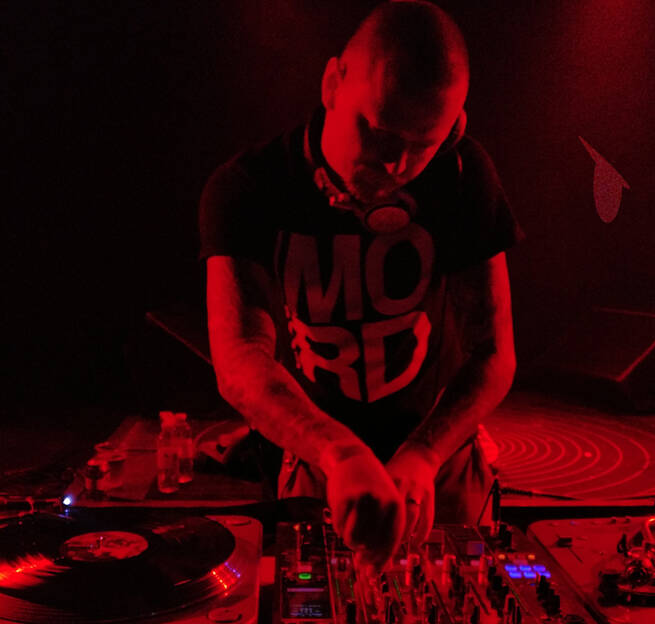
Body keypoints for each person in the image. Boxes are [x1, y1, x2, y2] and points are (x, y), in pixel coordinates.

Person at [200, 0, 522, 570]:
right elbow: (239, 358)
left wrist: (423, 453)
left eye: (422, 145)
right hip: (316, 456)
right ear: (332, 83)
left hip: (439, 462)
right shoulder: (248, 187)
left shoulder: (465, 177)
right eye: (375, 130)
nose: (394, 164)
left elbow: (495, 353)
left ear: (454, 128)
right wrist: (340, 453)